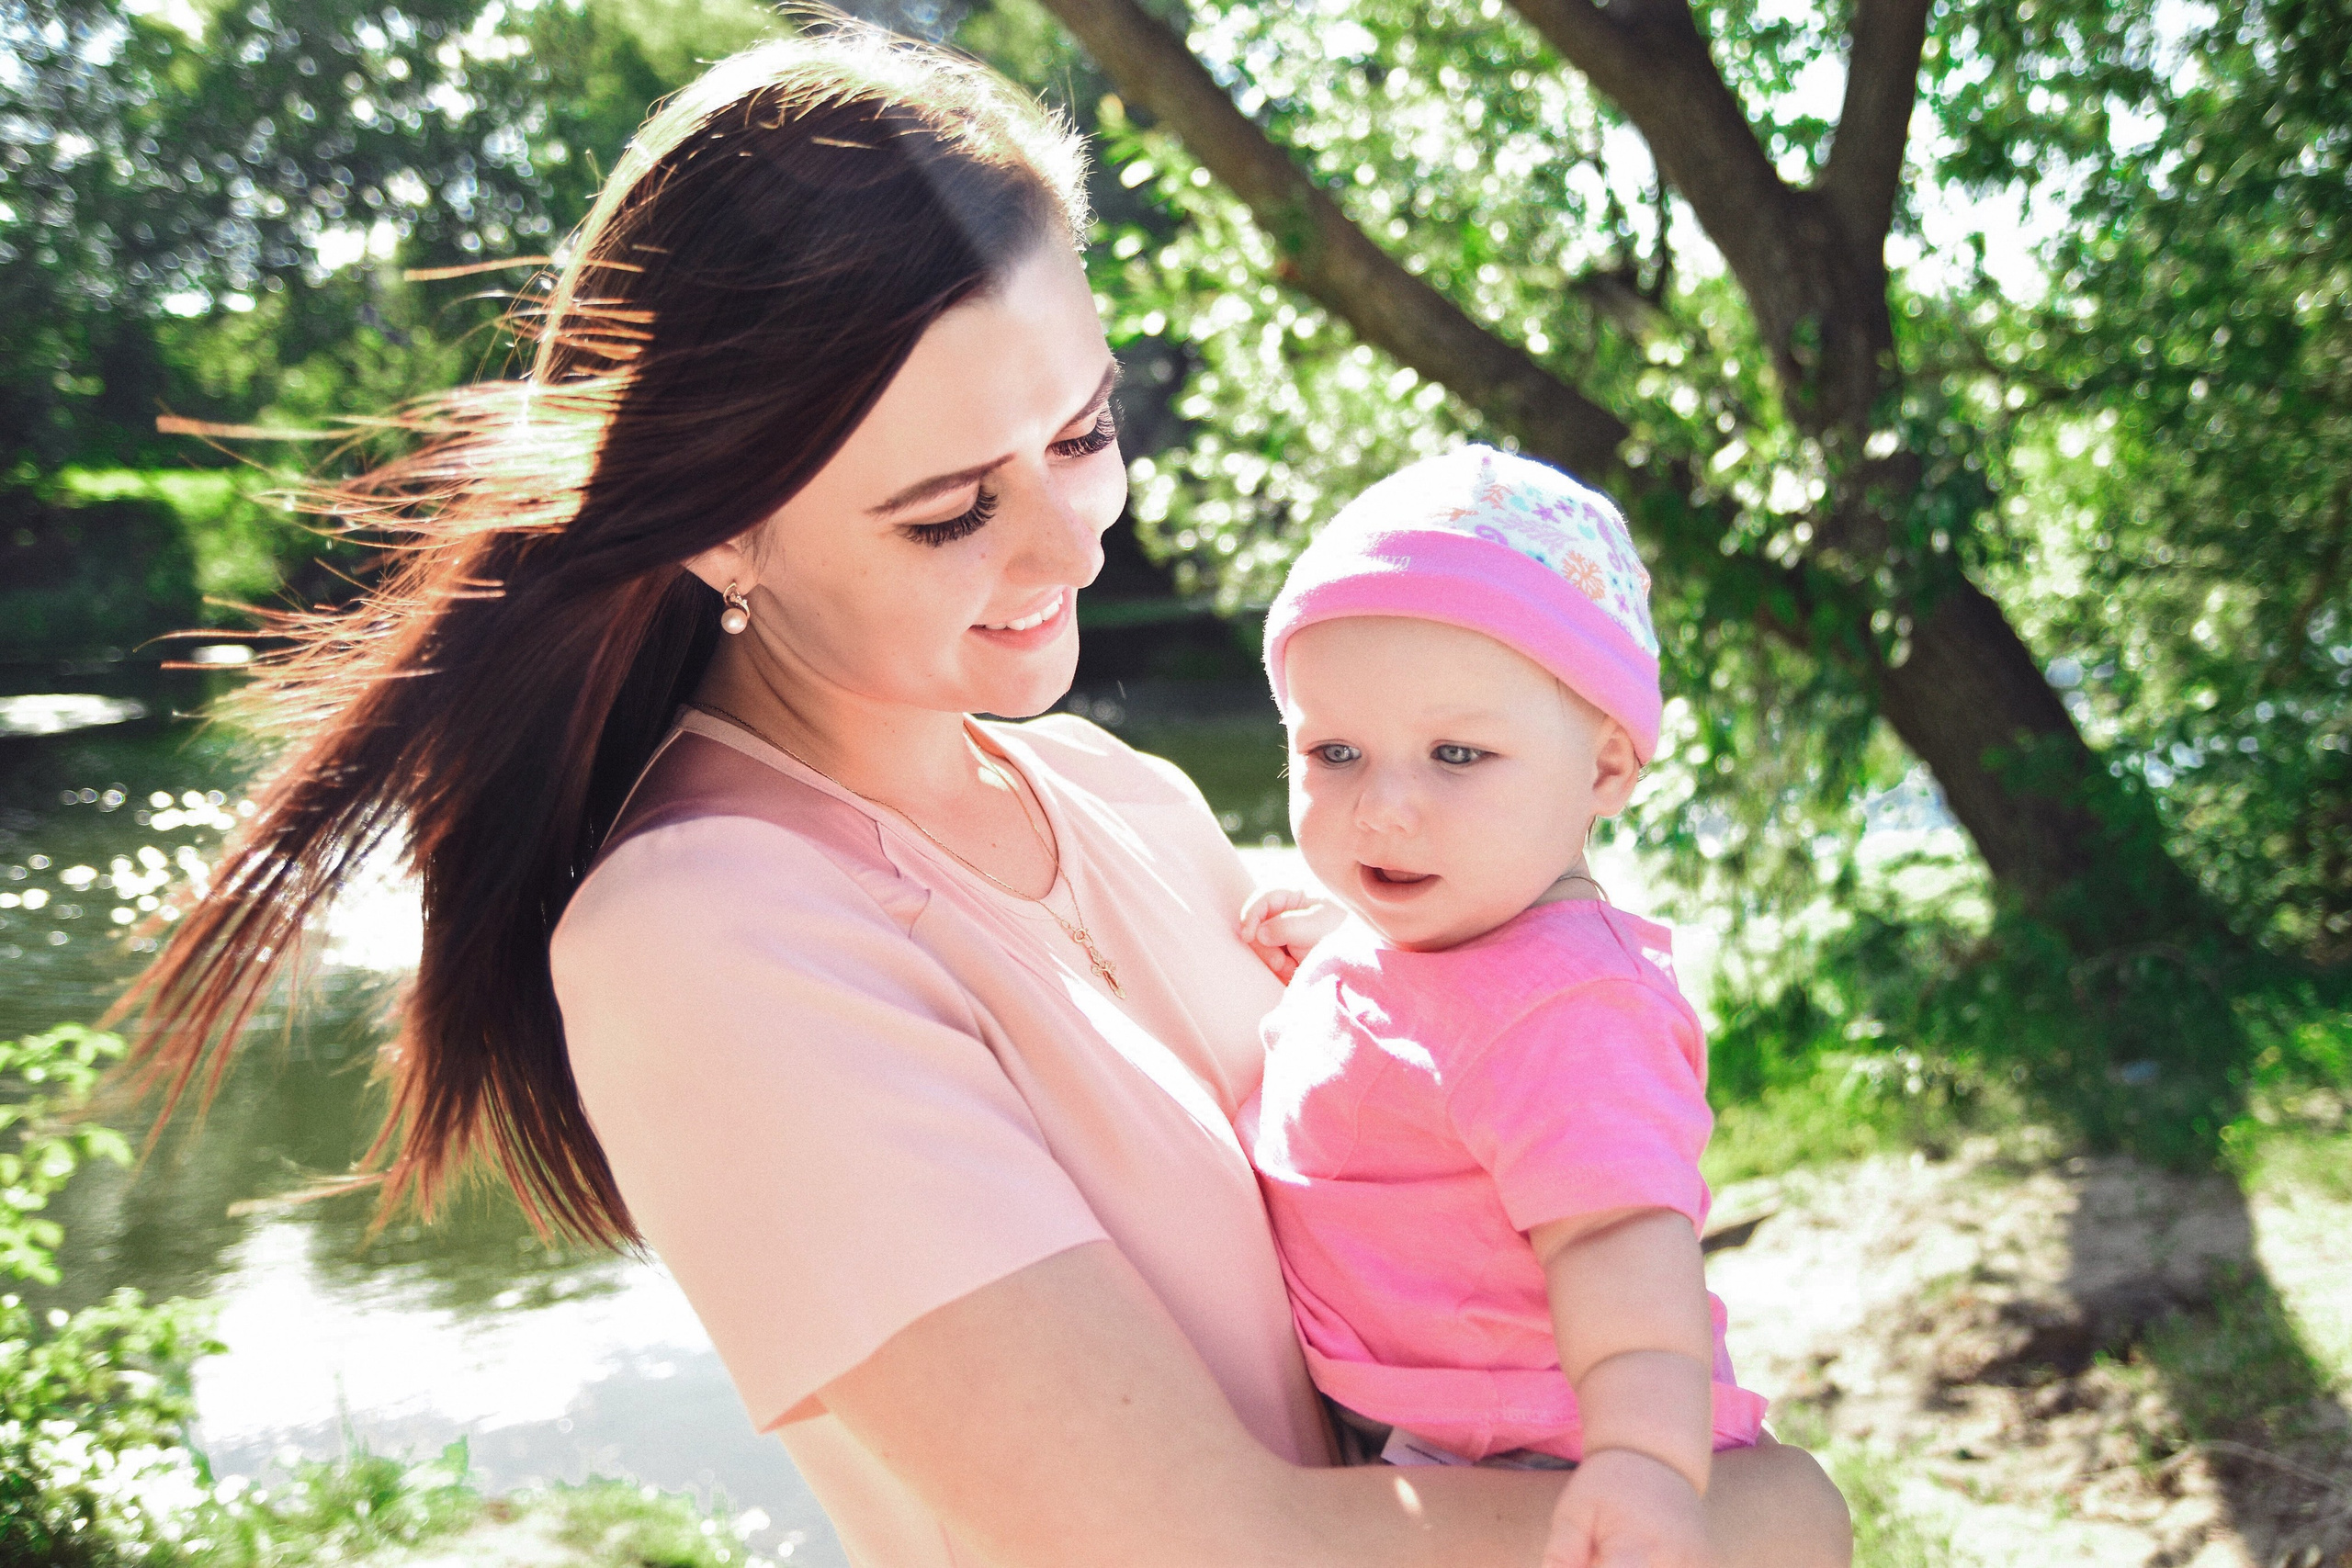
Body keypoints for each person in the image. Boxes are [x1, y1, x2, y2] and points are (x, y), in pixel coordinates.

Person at [123, 26, 1851, 1568]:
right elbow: (1205, 1544)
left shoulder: (1121, 790)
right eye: (949, 509)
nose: (1069, 541)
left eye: (1083, 434)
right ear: (723, 523)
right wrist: (1784, 1513)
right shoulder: (714, 942)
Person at [1237, 446, 1784, 1568]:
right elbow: (1442, 1053)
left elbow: (1619, 1244)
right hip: (1425, 1423)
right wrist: (1347, 951)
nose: (1383, 810)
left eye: (1456, 755)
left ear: (1604, 772)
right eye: (1333, 751)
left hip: (1538, 1458)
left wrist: (1641, 1463)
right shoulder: (1450, 938)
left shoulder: (1568, 1013)